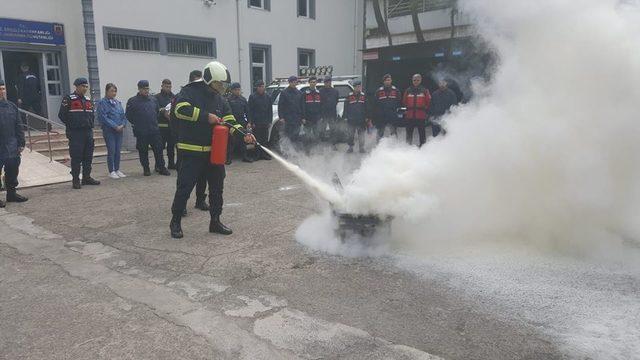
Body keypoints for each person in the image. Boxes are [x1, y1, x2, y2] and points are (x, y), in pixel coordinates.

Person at [169, 61, 254, 239]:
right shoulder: (190, 91)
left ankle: (215, 221)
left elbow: (230, 120)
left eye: (223, 85)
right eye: (218, 84)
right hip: (191, 150)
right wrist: (206, 116)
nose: (221, 88)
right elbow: (180, 109)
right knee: (184, 188)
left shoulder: (220, 99)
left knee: (217, 188)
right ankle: (175, 222)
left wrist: (243, 134)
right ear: (208, 79)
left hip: (214, 153)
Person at [58, 77, 100, 189]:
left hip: (88, 132)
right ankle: (76, 180)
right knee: (76, 157)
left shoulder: (88, 100)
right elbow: (62, 115)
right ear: (76, 86)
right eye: (83, 86)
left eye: (86, 86)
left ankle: (87, 177)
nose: (85, 88)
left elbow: (92, 115)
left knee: (88, 156)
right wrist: (72, 125)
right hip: (76, 133)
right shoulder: (69, 99)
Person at [126, 80, 170, 176]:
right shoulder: (132, 101)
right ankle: (146, 168)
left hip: (154, 129)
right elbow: (129, 116)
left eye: (147, 89)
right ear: (139, 89)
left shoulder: (153, 100)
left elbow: (157, 112)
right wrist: (138, 123)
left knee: (158, 150)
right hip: (141, 131)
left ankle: (161, 167)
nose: (146, 91)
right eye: (144, 89)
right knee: (143, 151)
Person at [0, 79, 28, 208]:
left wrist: (21, 142)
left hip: (11, 144)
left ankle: (11, 194)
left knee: (12, 170)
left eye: (3, 88)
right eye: (0, 89)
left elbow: (18, 125)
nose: (2, 91)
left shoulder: (11, 106)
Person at [96, 83, 127, 179]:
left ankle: (117, 169)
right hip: (109, 130)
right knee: (112, 150)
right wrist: (114, 126)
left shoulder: (118, 103)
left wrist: (123, 124)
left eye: (115, 91)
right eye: (111, 91)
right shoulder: (102, 103)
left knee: (118, 150)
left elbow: (123, 115)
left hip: (119, 130)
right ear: (106, 91)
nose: (114, 93)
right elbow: (103, 117)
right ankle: (111, 170)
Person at [226, 82, 252, 163]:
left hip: (241, 121)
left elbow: (248, 111)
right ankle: (228, 158)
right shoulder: (228, 99)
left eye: (239, 90)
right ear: (232, 90)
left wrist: (249, 122)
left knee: (243, 140)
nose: (238, 91)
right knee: (231, 141)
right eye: (236, 90)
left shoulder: (243, 99)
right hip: (232, 122)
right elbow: (227, 112)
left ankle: (244, 157)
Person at [402, 74, 431, 147]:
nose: (416, 82)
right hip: (410, 115)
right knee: (409, 133)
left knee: (422, 133)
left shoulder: (424, 90)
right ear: (412, 80)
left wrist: (424, 109)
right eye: (414, 80)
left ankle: (423, 147)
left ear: (420, 80)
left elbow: (428, 101)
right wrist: (408, 108)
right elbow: (404, 101)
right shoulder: (408, 90)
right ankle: (407, 147)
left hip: (420, 115)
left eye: (417, 80)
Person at [247, 80, 272, 160]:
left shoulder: (267, 96)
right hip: (256, 122)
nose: (262, 88)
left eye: (263, 86)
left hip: (265, 121)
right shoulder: (252, 97)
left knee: (264, 139)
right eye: (260, 87)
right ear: (257, 88)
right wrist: (251, 122)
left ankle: (264, 154)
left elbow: (270, 110)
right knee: (257, 139)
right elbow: (250, 110)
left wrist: (270, 121)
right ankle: (256, 155)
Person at [155, 79, 176, 169]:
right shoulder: (157, 97)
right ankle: (158, 165)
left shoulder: (174, 97)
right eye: (166, 86)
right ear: (162, 86)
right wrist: (163, 112)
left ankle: (171, 164)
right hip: (161, 127)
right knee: (160, 148)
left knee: (171, 147)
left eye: (169, 87)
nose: (168, 88)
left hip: (171, 127)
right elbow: (156, 110)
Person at [277, 76, 303, 145]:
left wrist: (302, 117)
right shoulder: (284, 93)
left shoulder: (299, 93)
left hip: (297, 119)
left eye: (295, 82)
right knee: (288, 136)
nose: (294, 83)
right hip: (288, 119)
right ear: (289, 82)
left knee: (296, 136)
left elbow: (302, 106)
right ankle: (288, 152)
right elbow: (280, 106)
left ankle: (295, 152)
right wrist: (281, 117)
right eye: (292, 82)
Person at [344, 80, 369, 154]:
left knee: (361, 134)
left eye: (359, 86)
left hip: (361, 119)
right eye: (356, 87)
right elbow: (346, 107)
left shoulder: (364, 96)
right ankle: (350, 147)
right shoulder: (349, 96)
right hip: (351, 119)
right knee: (351, 134)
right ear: (354, 87)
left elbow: (367, 107)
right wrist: (345, 117)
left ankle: (361, 147)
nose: (358, 88)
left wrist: (367, 116)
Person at [374, 74, 401, 140]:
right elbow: (375, 104)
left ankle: (394, 146)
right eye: (386, 80)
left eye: (389, 80)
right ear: (383, 81)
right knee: (380, 132)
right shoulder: (378, 91)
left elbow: (399, 102)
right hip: (382, 115)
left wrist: (395, 111)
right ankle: (378, 147)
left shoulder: (396, 91)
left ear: (391, 80)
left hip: (392, 114)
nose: (387, 81)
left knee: (393, 132)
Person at [319, 76, 339, 146]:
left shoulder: (335, 91)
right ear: (324, 83)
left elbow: (336, 101)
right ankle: (322, 144)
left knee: (333, 130)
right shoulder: (320, 91)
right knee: (322, 130)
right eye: (326, 82)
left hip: (332, 114)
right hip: (323, 114)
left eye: (329, 82)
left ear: (330, 82)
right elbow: (319, 103)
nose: (327, 83)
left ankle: (333, 144)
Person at [301, 76, 322, 145]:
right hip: (308, 118)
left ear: (316, 83)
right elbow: (302, 106)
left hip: (317, 118)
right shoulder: (305, 94)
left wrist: (320, 117)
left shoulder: (319, 93)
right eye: (311, 82)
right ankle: (307, 151)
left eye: (314, 82)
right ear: (309, 83)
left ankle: (316, 150)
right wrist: (303, 117)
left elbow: (321, 106)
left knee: (317, 135)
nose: (313, 83)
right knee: (307, 135)